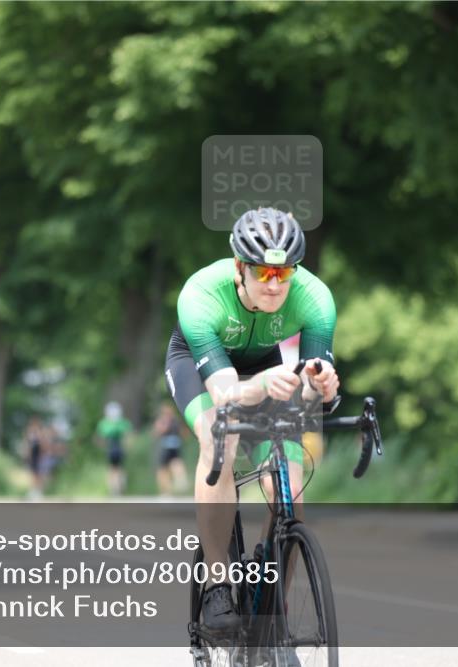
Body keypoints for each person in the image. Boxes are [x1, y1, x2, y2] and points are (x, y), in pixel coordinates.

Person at [164, 208, 338, 642]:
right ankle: (217, 584)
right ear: (241, 267)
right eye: (264, 272)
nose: (276, 283)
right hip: (201, 366)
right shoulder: (202, 294)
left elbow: (313, 386)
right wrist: (259, 386)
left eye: (285, 272)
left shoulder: (315, 298)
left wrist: (323, 386)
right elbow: (225, 394)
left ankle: (272, 611)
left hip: (265, 366)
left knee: (290, 493)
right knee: (217, 439)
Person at [96, 402, 131, 496]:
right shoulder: (122, 423)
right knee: (119, 468)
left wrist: (102, 446)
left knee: (112, 469)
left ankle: (114, 489)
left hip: (111, 448)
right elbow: (127, 436)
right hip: (119, 448)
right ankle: (119, 487)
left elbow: (101, 438)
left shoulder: (105, 423)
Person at [152, 403, 188, 496]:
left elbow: (158, 431)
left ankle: (166, 490)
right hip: (176, 444)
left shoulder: (164, 420)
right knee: (176, 463)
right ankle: (179, 481)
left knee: (163, 469)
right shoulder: (177, 421)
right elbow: (184, 433)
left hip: (166, 446)